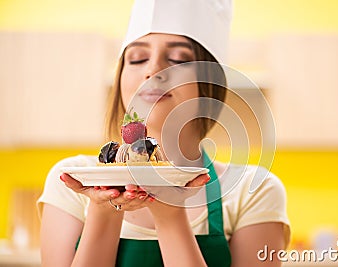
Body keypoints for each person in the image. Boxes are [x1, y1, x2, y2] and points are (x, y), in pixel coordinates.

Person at [38, 0, 290, 266]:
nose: (153, 70)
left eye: (178, 59)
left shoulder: (254, 191)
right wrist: (104, 210)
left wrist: (171, 215)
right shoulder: (73, 182)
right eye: (137, 58)